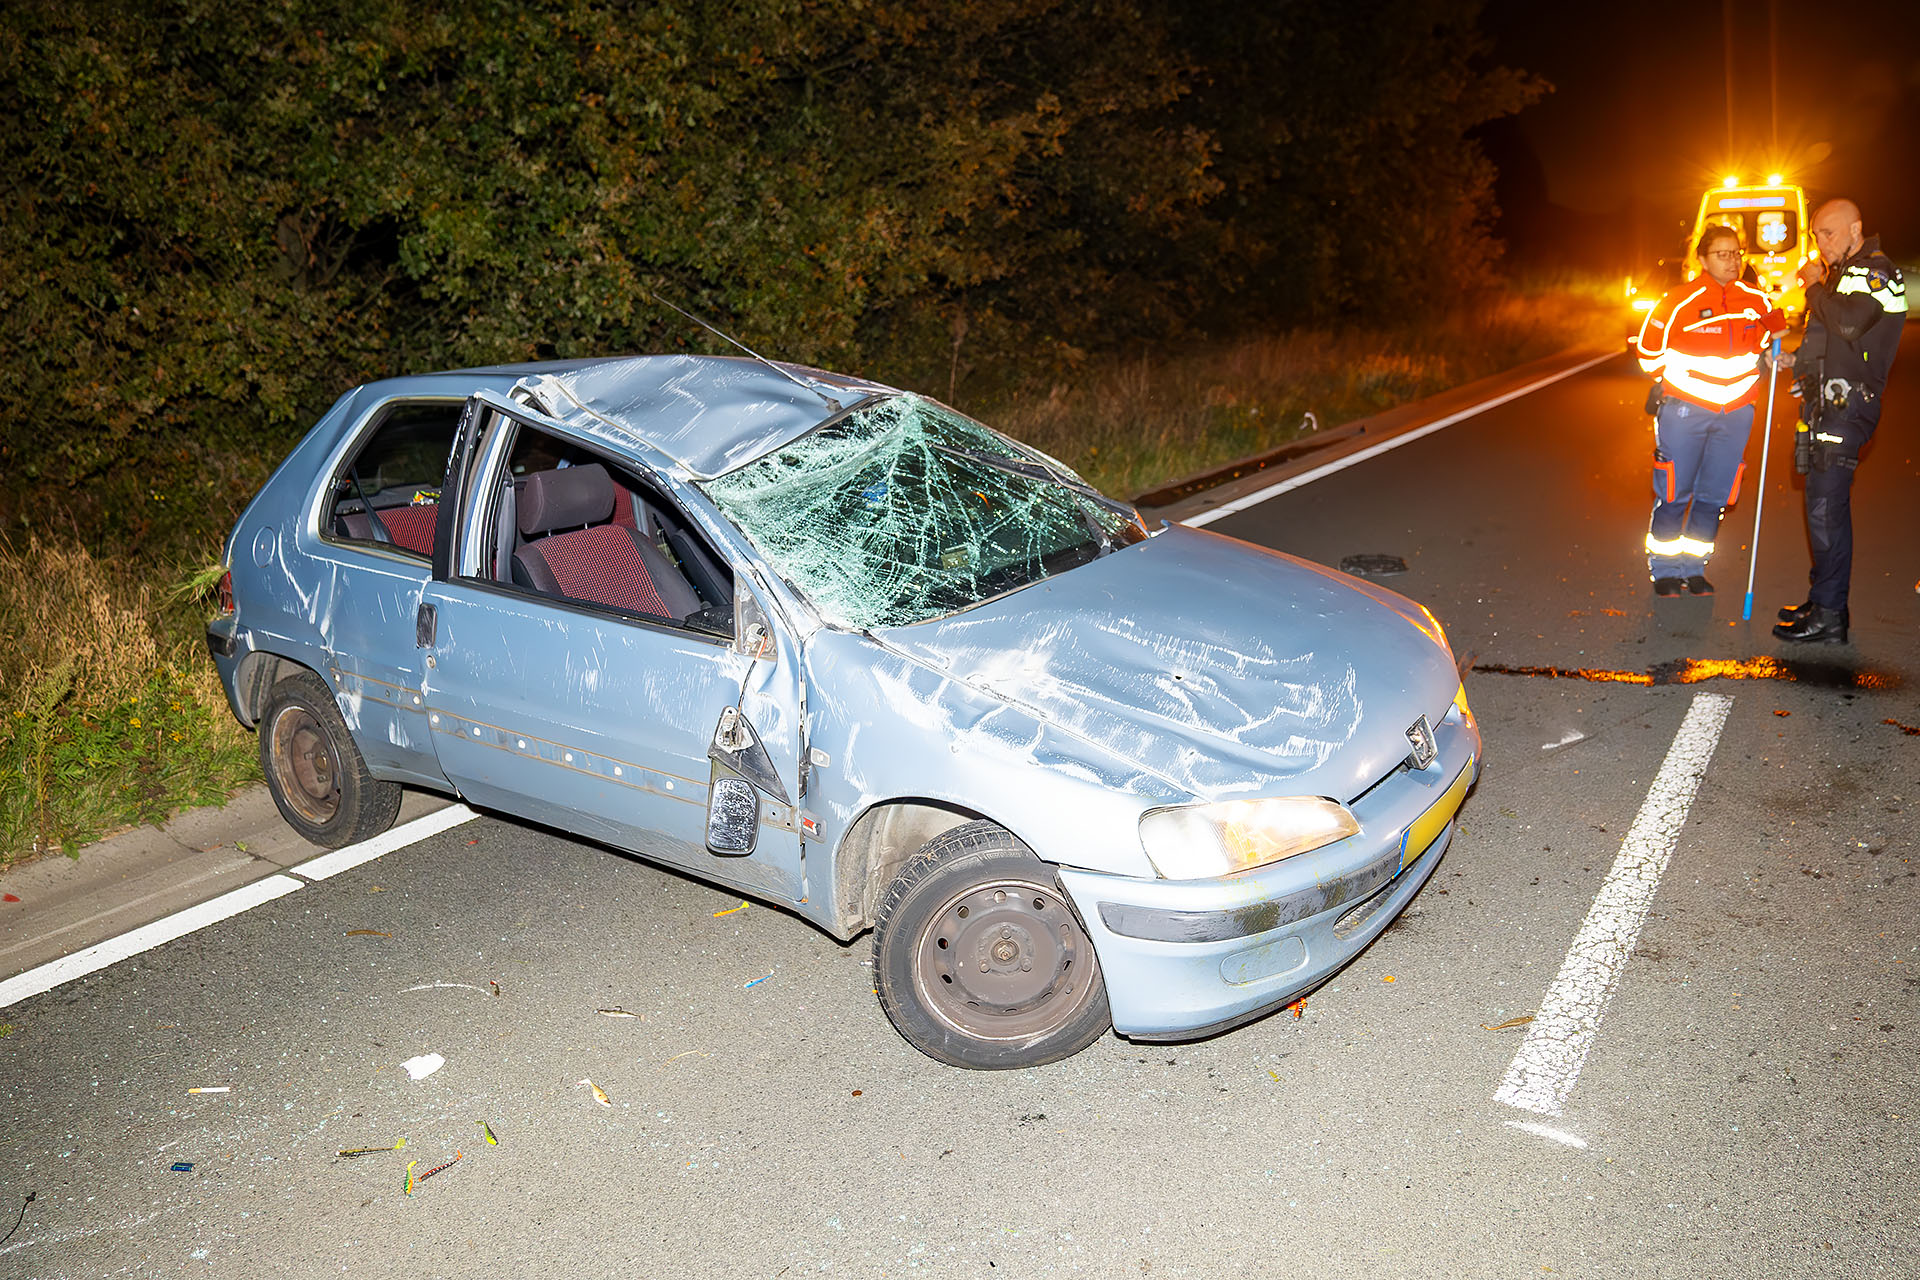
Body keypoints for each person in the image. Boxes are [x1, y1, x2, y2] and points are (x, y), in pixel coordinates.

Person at [1773, 198, 1907, 643]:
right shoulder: (1844, 275)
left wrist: (1813, 287)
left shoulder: (1876, 272)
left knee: (1827, 511)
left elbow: (1849, 325)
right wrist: (1797, 366)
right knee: (1818, 509)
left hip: (1850, 408)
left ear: (1855, 229)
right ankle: (1822, 596)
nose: (1820, 243)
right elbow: (1828, 342)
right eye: (1815, 235)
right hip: (1826, 405)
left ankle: (1831, 615)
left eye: (1828, 233)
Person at [1633, 224, 1787, 597]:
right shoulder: (1676, 301)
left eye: (1737, 253)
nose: (1733, 261)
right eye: (1723, 254)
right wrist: (1678, 386)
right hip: (1686, 410)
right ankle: (1666, 570)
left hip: (1736, 412)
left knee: (1715, 495)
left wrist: (1772, 350)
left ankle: (1695, 567)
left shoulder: (1756, 299)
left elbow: (1771, 336)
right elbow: (1648, 353)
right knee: (1674, 492)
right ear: (1702, 259)